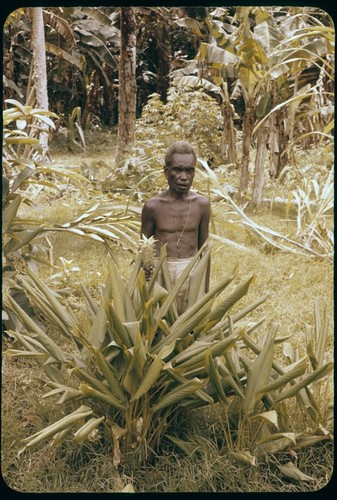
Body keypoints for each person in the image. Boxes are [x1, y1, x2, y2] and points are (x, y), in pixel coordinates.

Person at [140, 140, 211, 314]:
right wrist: (146, 273)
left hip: (190, 269)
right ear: (166, 172)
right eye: (177, 170)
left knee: (188, 321)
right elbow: (143, 246)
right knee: (159, 321)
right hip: (160, 270)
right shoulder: (153, 206)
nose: (184, 177)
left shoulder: (201, 205)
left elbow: (204, 251)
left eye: (190, 170)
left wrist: (206, 290)